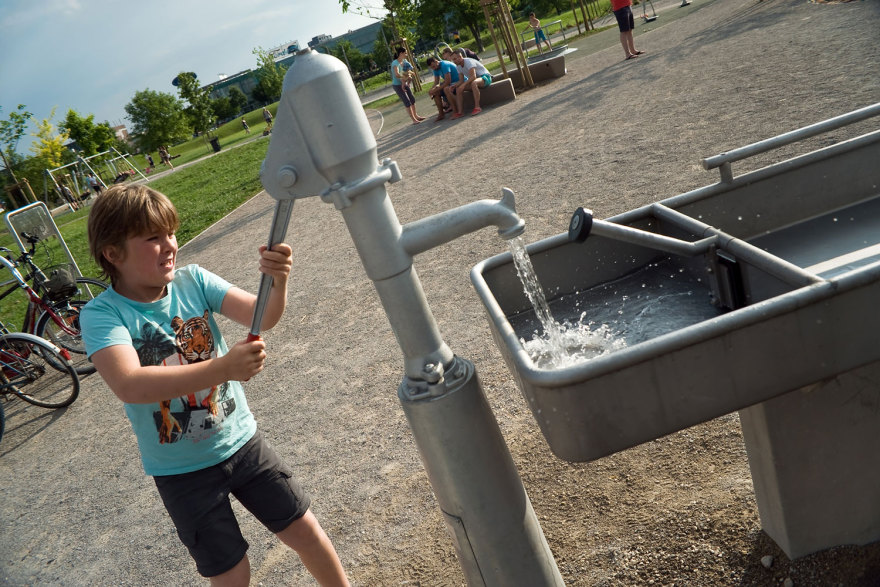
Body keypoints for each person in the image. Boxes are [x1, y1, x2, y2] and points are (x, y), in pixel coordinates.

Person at [80, 184, 350, 587]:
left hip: (243, 443)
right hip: (181, 473)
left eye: (170, 233)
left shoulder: (194, 281)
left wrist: (277, 282)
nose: (169, 245)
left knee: (304, 532)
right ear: (112, 253)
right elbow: (131, 384)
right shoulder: (102, 315)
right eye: (152, 238)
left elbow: (263, 317)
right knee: (231, 573)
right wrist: (223, 368)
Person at [450, 48, 492, 117]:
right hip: (475, 80)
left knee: (473, 83)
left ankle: (477, 107)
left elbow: (473, 77)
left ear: (460, 57)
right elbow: (461, 80)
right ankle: (460, 112)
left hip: (485, 78)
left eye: (454, 59)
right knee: (458, 89)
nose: (453, 61)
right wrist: (454, 85)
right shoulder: (458, 66)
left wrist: (463, 85)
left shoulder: (469, 62)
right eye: (452, 60)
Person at [390, 47, 427, 125]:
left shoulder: (404, 61)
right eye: (405, 53)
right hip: (397, 85)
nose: (406, 54)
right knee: (407, 101)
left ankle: (416, 116)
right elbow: (397, 74)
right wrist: (405, 76)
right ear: (401, 53)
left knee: (412, 99)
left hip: (404, 82)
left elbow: (406, 71)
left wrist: (409, 73)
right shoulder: (395, 63)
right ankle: (413, 119)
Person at [426, 55, 461, 121]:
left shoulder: (444, 65)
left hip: (458, 81)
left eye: (433, 66)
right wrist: (431, 90)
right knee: (435, 92)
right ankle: (441, 113)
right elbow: (436, 82)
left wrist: (435, 89)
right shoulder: (435, 68)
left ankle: (455, 111)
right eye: (432, 68)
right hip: (451, 84)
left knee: (445, 89)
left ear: (436, 61)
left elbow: (448, 81)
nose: (433, 68)